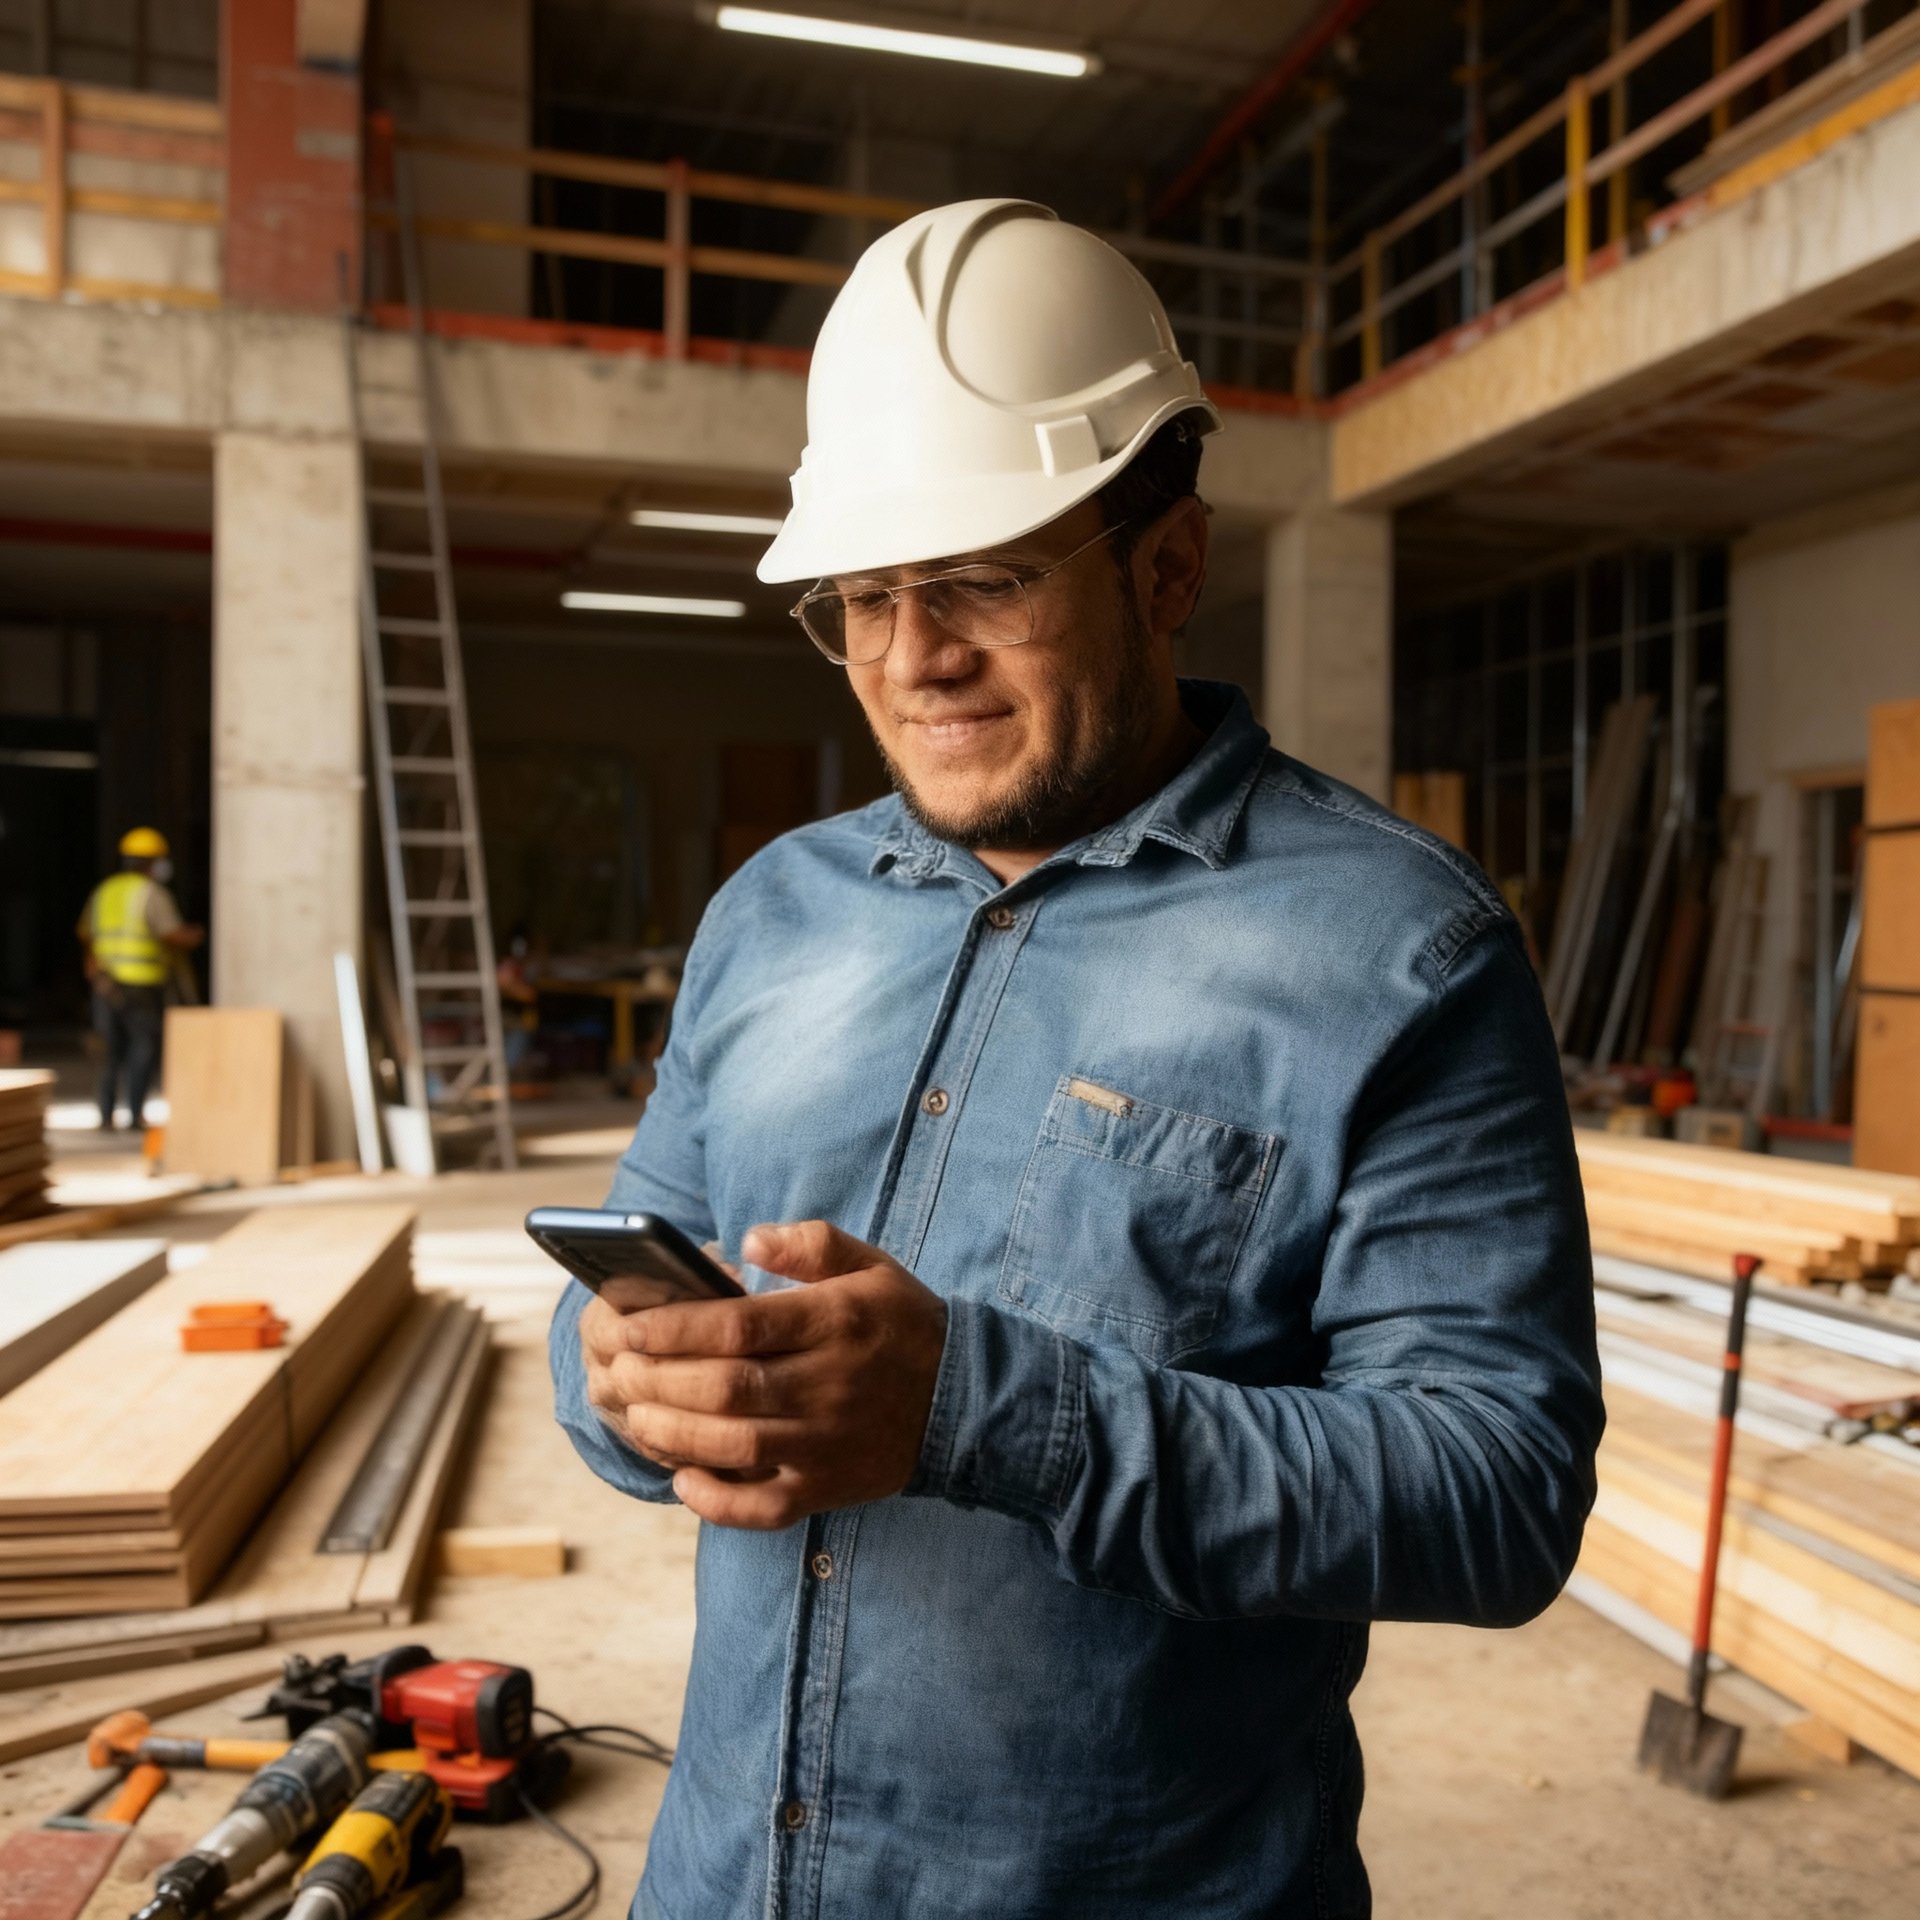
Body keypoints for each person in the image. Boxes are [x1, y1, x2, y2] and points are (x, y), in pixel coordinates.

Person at [551, 200, 1602, 1919]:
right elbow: (602, 1318)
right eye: (864, 598)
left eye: (979, 579)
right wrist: (621, 1384)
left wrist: (981, 1412)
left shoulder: (1395, 956)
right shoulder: (772, 916)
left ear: (1167, 566)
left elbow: (1499, 1492)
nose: (913, 660)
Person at [77, 827, 203, 1131]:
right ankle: (134, 1116)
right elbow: (170, 934)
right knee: (142, 1047)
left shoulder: (104, 891)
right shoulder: (151, 893)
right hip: (140, 984)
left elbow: (84, 933)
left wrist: (94, 967)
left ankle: (106, 1117)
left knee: (109, 1048)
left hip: (105, 983)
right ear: (152, 862)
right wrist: (196, 936)